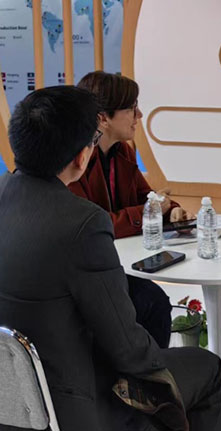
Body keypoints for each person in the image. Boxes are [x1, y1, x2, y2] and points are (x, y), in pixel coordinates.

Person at [0, 86, 221, 431]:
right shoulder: (82, 223)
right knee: (205, 367)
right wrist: (158, 374)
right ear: (82, 157)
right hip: (55, 407)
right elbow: (127, 349)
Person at [70, 71, 187, 348]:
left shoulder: (123, 150)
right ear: (103, 118)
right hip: (85, 274)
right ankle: (148, 371)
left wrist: (172, 211)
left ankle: (147, 368)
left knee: (154, 301)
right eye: (132, 109)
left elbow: (147, 197)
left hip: (114, 262)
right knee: (154, 302)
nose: (140, 115)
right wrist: (148, 211)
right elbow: (92, 225)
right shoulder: (74, 161)